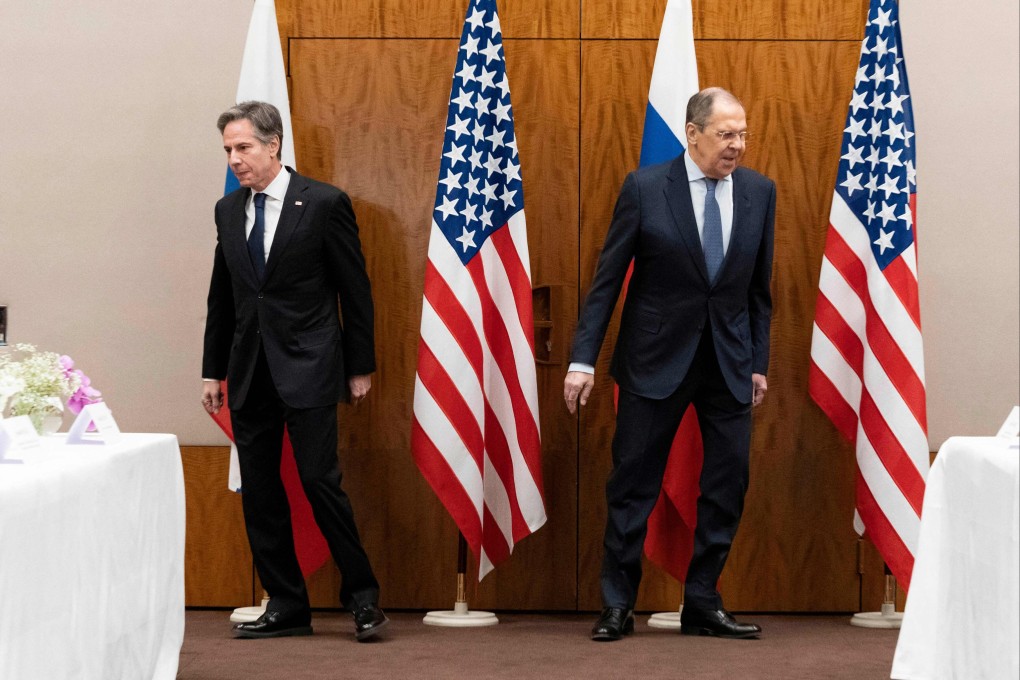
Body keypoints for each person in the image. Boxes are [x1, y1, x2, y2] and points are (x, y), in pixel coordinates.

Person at [564, 88, 775, 641]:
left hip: (728, 363)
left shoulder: (759, 192)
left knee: (728, 484)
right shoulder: (645, 188)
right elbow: (607, 281)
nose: (738, 145)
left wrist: (758, 361)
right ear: (692, 133)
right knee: (633, 485)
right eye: (727, 134)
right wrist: (582, 359)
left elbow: (758, 292)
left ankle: (702, 601)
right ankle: (618, 604)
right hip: (654, 359)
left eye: (743, 134)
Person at [201, 100, 387, 641]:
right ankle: (286, 604)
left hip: (310, 366)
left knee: (318, 482)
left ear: (274, 144)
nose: (235, 160)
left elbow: (355, 291)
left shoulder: (325, 203)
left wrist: (360, 366)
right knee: (260, 491)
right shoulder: (227, 210)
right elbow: (224, 298)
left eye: (244, 148)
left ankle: (364, 598)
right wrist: (213, 371)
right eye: (229, 151)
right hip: (249, 370)